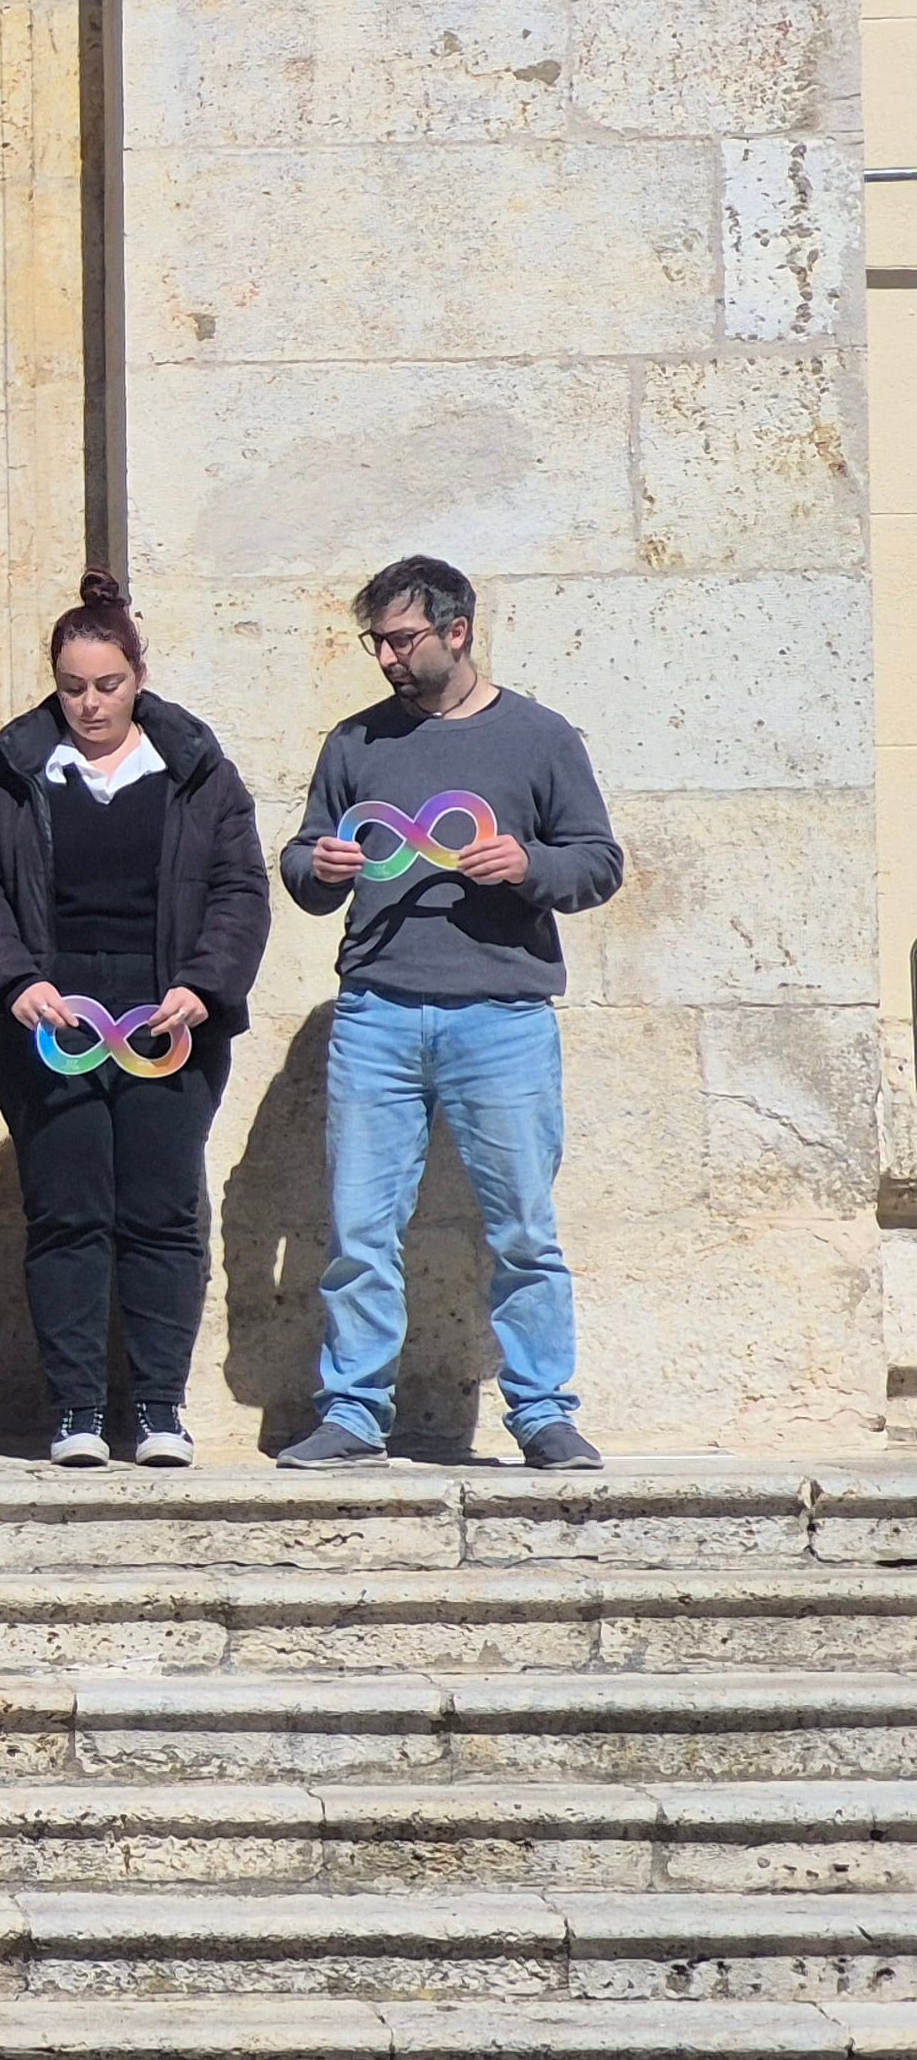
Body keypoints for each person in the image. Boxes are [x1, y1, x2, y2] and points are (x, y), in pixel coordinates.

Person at [274, 555, 623, 1472]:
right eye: (377, 642)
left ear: (457, 631)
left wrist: (530, 868)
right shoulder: (355, 743)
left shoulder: (540, 737)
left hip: (502, 1018)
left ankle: (544, 1411)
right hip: (377, 1014)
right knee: (359, 1231)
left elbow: (597, 862)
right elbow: (304, 860)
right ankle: (352, 1413)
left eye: (402, 639)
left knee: (523, 1230)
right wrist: (319, 868)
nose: (386, 657)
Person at [0, 573, 270, 1469]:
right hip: (51, 1021)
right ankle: (77, 1410)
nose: (90, 705)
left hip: (170, 1017)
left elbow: (241, 887)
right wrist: (13, 980)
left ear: (138, 675)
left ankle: (161, 1408)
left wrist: (205, 985)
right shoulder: (12, 775)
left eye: (108, 685)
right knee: (68, 1210)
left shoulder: (198, 772)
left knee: (164, 1209)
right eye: (73, 687)